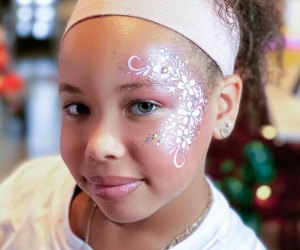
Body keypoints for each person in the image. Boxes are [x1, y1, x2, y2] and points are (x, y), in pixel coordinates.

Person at [0, 0, 283, 249]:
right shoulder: (24, 200)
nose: (99, 146)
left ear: (223, 106)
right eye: (78, 108)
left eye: (143, 106)